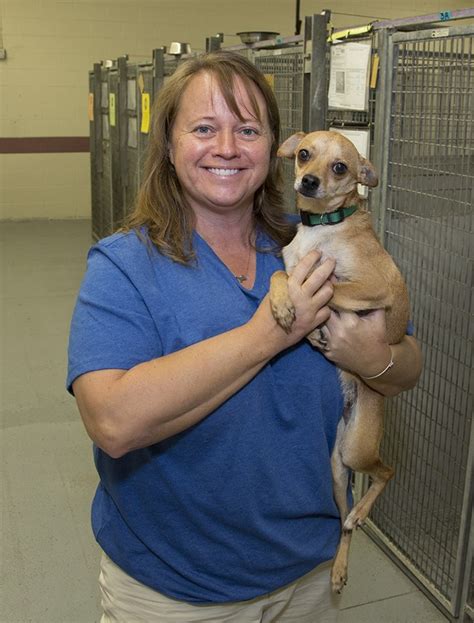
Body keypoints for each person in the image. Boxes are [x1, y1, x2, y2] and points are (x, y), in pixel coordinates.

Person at [67, 50, 422, 622]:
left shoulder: (311, 243)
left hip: (308, 575)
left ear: (274, 147)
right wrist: (267, 334)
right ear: (169, 144)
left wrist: (373, 356)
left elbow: (409, 367)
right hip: (178, 591)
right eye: (204, 128)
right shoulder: (125, 265)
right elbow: (112, 422)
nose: (227, 148)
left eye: (248, 130)